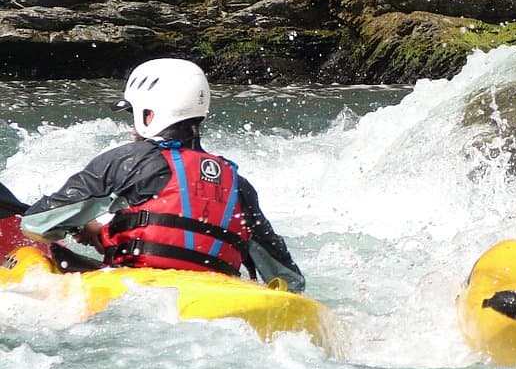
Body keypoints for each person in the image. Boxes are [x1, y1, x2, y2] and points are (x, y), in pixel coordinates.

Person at [21, 58, 306, 292]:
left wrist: (80, 226)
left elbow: (37, 223)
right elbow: (289, 280)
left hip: (138, 294)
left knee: (38, 258)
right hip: (213, 298)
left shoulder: (127, 160)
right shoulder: (238, 186)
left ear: (148, 116)